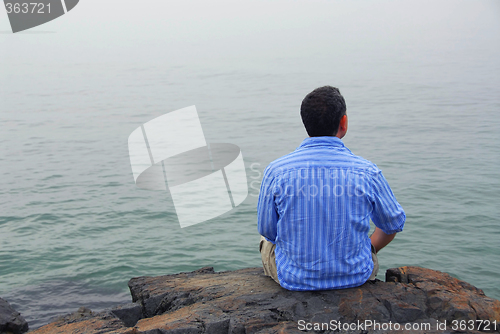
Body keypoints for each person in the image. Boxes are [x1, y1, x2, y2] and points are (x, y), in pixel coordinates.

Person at [257, 86, 406, 291]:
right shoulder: (367, 171)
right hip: (356, 276)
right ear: (343, 122)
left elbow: (268, 231)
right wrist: (369, 247)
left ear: (305, 122)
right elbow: (393, 223)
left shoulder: (276, 171)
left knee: (265, 238)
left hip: (294, 279)